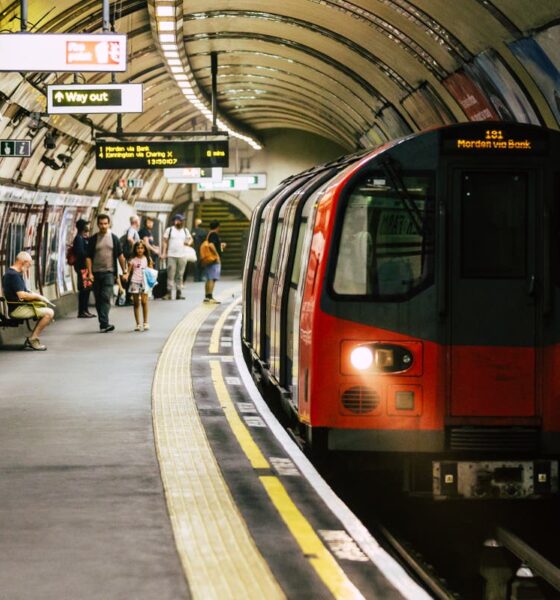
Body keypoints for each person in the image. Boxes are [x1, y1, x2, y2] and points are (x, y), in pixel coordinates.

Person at [1, 251, 54, 350]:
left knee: (45, 309)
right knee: (49, 313)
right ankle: (33, 339)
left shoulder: (12, 273)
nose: (28, 268)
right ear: (23, 262)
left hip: (19, 306)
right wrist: (39, 297)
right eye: (28, 265)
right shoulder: (14, 276)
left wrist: (34, 295)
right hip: (18, 309)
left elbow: (24, 292)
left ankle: (32, 339)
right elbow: (22, 295)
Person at [85, 213, 128, 333]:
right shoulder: (93, 239)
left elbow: (120, 256)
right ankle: (103, 322)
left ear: (109, 224)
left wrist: (124, 271)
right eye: (101, 224)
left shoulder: (114, 238)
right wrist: (90, 273)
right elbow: (88, 257)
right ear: (98, 225)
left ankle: (104, 324)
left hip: (109, 272)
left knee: (105, 296)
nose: (103, 226)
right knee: (98, 299)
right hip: (96, 273)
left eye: (105, 223)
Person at [161, 214, 193, 300]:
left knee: (180, 275)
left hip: (182, 255)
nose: (181, 222)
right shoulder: (170, 230)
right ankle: (169, 293)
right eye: (179, 220)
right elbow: (164, 242)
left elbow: (190, 239)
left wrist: (189, 243)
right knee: (170, 274)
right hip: (171, 255)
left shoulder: (185, 231)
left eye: (182, 220)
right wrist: (164, 253)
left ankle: (179, 293)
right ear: (175, 221)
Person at [72, 219, 95, 319]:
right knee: (84, 289)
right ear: (82, 227)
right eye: (86, 226)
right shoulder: (78, 239)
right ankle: (82, 311)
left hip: (85, 268)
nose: (88, 227)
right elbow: (81, 253)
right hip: (82, 267)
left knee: (87, 288)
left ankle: (85, 310)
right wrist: (89, 254)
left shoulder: (82, 238)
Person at [128, 241, 152, 332]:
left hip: (144, 282)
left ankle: (145, 322)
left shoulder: (148, 259)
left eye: (142, 248)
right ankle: (138, 324)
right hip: (135, 282)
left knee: (144, 302)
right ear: (135, 249)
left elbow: (151, 270)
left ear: (145, 249)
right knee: (136, 303)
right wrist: (125, 275)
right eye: (138, 248)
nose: (140, 250)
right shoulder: (132, 260)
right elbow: (128, 271)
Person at [203, 220, 226, 304]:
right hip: (214, 259)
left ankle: (207, 296)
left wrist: (220, 246)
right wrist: (217, 255)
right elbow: (211, 245)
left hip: (209, 259)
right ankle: (210, 297)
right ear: (218, 227)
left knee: (209, 278)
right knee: (213, 278)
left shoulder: (209, 234)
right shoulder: (214, 234)